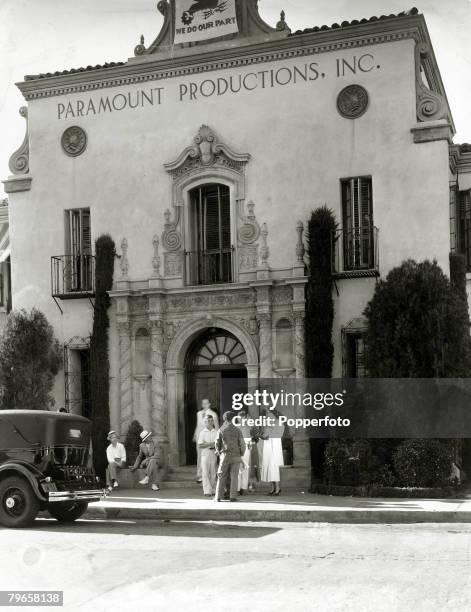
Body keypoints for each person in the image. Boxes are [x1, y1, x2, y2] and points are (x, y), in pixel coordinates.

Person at [214, 411, 246, 502]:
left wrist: (219, 452)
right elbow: (243, 445)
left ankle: (218, 496)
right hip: (236, 456)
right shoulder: (237, 430)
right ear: (233, 419)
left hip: (225, 455)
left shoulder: (221, 430)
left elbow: (217, 443)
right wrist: (241, 453)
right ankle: (233, 497)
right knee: (234, 477)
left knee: (222, 476)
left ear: (224, 419)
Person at [193, 398, 219, 483]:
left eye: (206, 403)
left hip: (209, 436)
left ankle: (211, 476)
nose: (204, 405)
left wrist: (217, 438)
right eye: (203, 404)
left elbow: (217, 427)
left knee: (210, 457)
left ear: (209, 404)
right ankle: (199, 475)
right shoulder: (199, 413)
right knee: (200, 456)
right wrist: (195, 434)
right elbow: (198, 425)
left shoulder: (213, 414)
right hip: (199, 437)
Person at [260, 411, 284, 496]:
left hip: (275, 448)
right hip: (268, 447)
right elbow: (265, 434)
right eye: (267, 417)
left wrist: (269, 433)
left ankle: (278, 488)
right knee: (268, 468)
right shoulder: (268, 425)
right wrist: (262, 436)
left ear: (274, 415)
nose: (268, 418)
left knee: (274, 468)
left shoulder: (279, 423)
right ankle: (272, 488)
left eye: (269, 416)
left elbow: (279, 434)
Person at [197, 415, 218, 497]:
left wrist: (207, 444)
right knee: (205, 472)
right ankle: (207, 490)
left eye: (210, 420)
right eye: (207, 421)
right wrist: (210, 444)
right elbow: (200, 445)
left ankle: (213, 489)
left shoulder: (216, 432)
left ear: (213, 421)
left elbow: (217, 444)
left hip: (213, 453)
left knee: (213, 472)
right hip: (205, 454)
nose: (209, 422)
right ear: (205, 422)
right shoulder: (202, 433)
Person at [237, 409, 253, 495]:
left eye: (243, 418)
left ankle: (243, 487)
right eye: (240, 418)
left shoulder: (248, 427)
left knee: (245, 466)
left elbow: (250, 439)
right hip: (239, 448)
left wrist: (250, 445)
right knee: (238, 467)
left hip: (246, 447)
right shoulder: (236, 427)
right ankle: (238, 487)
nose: (241, 420)